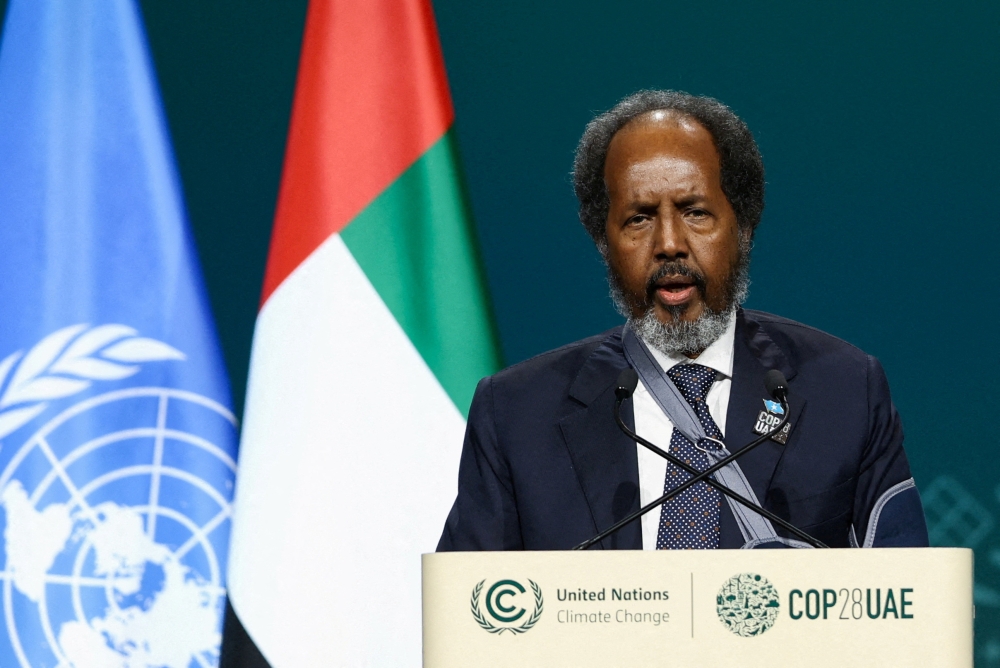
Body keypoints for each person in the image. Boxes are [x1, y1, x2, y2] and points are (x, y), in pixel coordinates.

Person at [437, 90, 929, 551]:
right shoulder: (517, 415)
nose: (669, 243)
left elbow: (910, 594)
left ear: (744, 226)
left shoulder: (845, 391)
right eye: (639, 218)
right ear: (603, 241)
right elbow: (466, 606)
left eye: (695, 212)